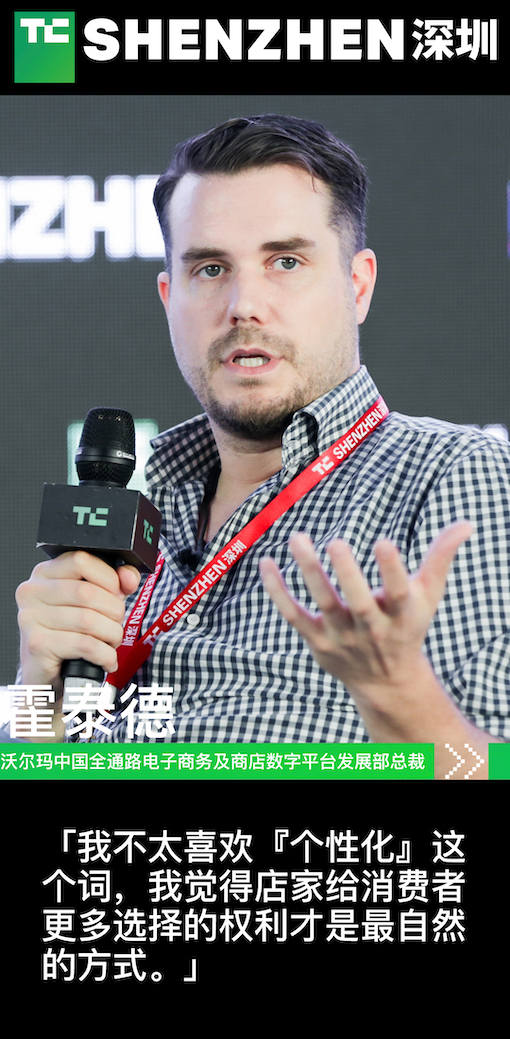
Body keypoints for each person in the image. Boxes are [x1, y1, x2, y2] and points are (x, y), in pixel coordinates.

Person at [12, 114, 510, 777]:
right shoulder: (131, 532)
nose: (244, 303)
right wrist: (38, 697)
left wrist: (400, 697)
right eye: (210, 268)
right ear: (169, 298)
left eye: (286, 262)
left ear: (358, 285)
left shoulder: (459, 474)